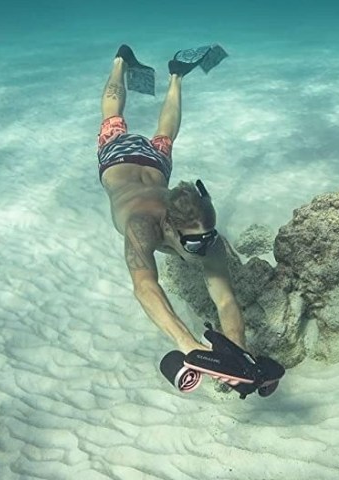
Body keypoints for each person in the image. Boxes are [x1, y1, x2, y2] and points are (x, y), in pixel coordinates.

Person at [97, 44, 246, 356]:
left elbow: (225, 300)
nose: (205, 249)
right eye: (194, 245)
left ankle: (176, 75)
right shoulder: (142, 226)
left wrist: (238, 349)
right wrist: (186, 342)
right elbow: (145, 287)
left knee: (165, 134)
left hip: (155, 166)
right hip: (118, 157)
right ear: (169, 228)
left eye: (209, 239)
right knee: (113, 119)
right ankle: (120, 61)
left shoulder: (203, 230)